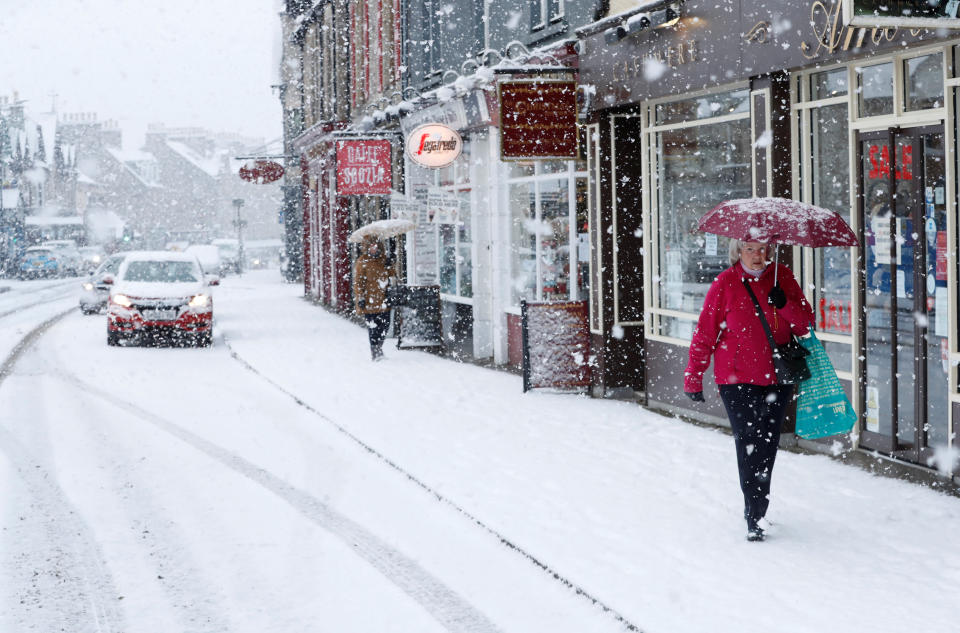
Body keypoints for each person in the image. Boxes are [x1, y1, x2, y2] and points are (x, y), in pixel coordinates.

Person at [684, 240, 814, 542]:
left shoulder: (782, 277)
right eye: (750, 249)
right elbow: (705, 332)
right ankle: (753, 514)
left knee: (768, 445)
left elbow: (805, 324)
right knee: (749, 441)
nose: (758, 256)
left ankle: (760, 506)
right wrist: (694, 376)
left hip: (777, 378)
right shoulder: (725, 283)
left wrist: (783, 304)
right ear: (737, 252)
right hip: (737, 380)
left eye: (763, 249)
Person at [353, 237, 392, 361]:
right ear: (367, 248)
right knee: (373, 327)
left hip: (384, 299)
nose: (374, 249)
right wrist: (361, 297)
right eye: (371, 246)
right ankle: (375, 351)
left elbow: (393, 277)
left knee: (385, 326)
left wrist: (390, 266)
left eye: (376, 246)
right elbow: (358, 282)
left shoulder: (384, 260)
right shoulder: (362, 262)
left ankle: (379, 347)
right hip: (369, 300)